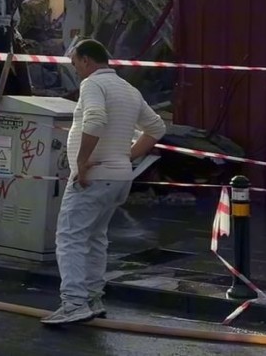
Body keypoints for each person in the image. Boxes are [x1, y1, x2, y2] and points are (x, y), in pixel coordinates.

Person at [42, 38, 166, 326]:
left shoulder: (93, 85)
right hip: (120, 177)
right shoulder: (128, 89)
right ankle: (94, 298)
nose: (76, 71)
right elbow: (157, 128)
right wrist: (126, 156)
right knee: (96, 238)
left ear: (86, 60)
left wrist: (83, 162)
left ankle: (73, 303)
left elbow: (95, 120)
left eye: (75, 64)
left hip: (94, 177)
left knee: (70, 238)